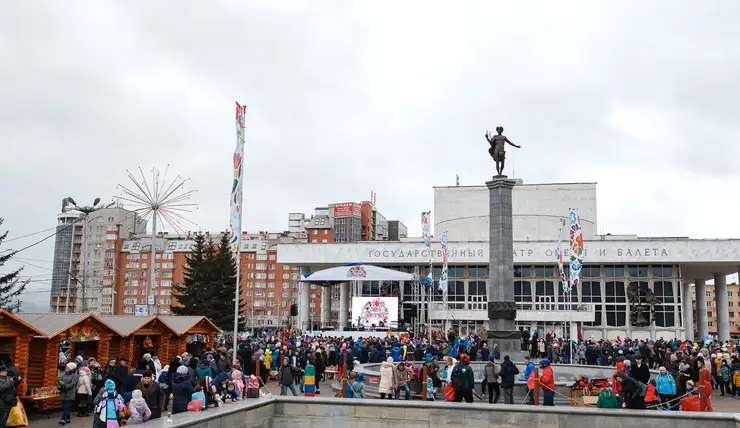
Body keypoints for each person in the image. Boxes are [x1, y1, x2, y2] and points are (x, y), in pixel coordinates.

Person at [0, 363, 19, 428]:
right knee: (2, 419)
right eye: (4, 371)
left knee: (4, 419)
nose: (6, 372)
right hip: (2, 403)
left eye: (6, 371)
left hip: (9, 401)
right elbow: (1, 388)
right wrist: (9, 382)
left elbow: (14, 385)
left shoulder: (8, 378)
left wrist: (18, 380)